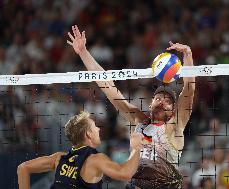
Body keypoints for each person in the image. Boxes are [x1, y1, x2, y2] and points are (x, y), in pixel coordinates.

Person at [67, 25, 195, 189]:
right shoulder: (139, 120)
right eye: (158, 97)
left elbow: (189, 90)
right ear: (150, 104)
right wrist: (83, 52)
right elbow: (108, 87)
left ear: (173, 110)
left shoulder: (174, 126)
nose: (162, 100)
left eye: (168, 100)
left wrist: (188, 55)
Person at [17, 111, 143, 189]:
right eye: (95, 127)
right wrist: (136, 147)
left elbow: (23, 168)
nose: (99, 129)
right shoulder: (95, 159)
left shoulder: (59, 158)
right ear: (88, 134)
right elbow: (125, 174)